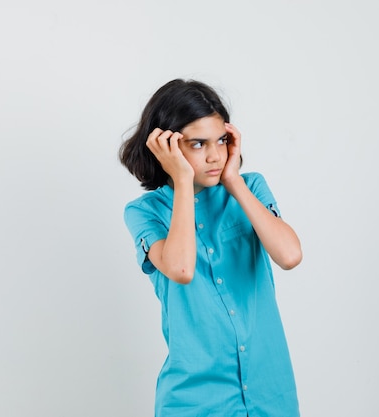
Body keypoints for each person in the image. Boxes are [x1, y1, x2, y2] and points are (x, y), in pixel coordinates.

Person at [119, 78, 303, 417]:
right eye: (198, 144)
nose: (215, 155)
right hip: (195, 403)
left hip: (270, 394)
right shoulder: (145, 212)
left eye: (221, 140)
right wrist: (184, 180)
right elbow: (182, 270)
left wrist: (234, 182)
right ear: (167, 147)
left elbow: (290, 256)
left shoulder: (251, 189)